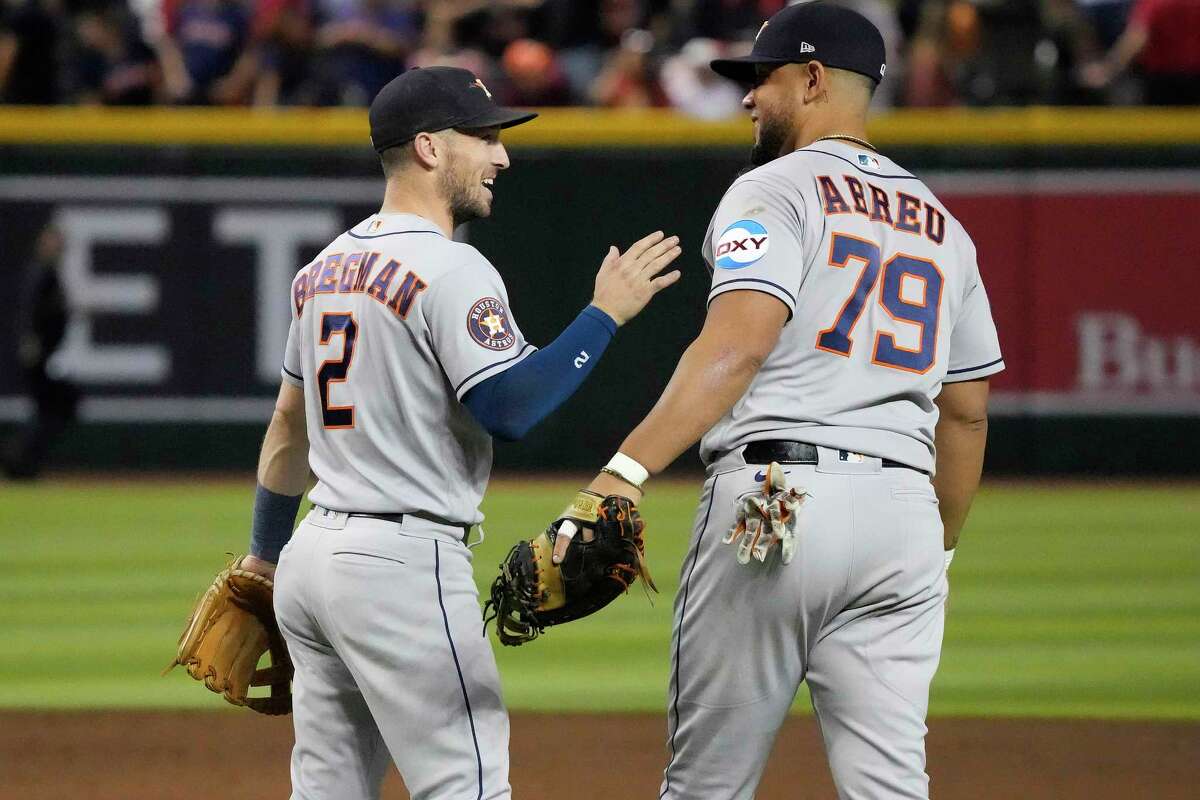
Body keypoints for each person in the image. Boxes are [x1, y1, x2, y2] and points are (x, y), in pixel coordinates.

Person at [551, 3, 1004, 798]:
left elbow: (736, 347)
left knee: (707, 785)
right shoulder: (945, 225)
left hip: (777, 498)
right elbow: (966, 412)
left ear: (815, 78)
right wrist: (939, 547)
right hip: (904, 514)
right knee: (892, 787)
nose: (749, 98)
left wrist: (621, 471)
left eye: (763, 78)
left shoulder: (775, 188)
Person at [235, 66, 681, 799]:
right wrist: (605, 315)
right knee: (465, 785)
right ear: (429, 148)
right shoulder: (452, 268)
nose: (501, 156)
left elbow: (289, 424)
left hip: (313, 560)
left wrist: (262, 554)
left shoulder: (320, 270)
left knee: (327, 789)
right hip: (398, 566)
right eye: (483, 137)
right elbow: (510, 410)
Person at [4, 225, 79, 480]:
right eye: (51, 242)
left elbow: (49, 311)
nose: (55, 247)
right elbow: (29, 310)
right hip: (40, 355)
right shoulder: (42, 274)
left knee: (55, 405)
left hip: (46, 354)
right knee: (55, 405)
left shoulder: (50, 274)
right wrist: (30, 340)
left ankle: (22, 460)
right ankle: (18, 458)